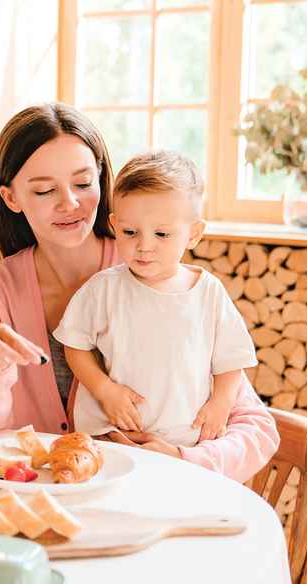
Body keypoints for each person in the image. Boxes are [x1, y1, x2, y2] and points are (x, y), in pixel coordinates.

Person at [0, 103, 279, 482]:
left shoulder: (161, 273)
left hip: (146, 490)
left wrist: (180, 459)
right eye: (45, 190)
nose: (70, 203)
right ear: (11, 198)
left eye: (83, 183)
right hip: (40, 492)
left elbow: (257, 428)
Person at [56, 150, 257, 449]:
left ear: (194, 234)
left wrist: (221, 404)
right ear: (114, 225)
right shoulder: (104, 289)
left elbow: (232, 361)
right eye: (130, 232)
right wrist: (104, 389)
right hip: (115, 437)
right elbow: (74, 345)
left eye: (162, 234)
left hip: (184, 441)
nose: (144, 246)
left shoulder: (207, 293)